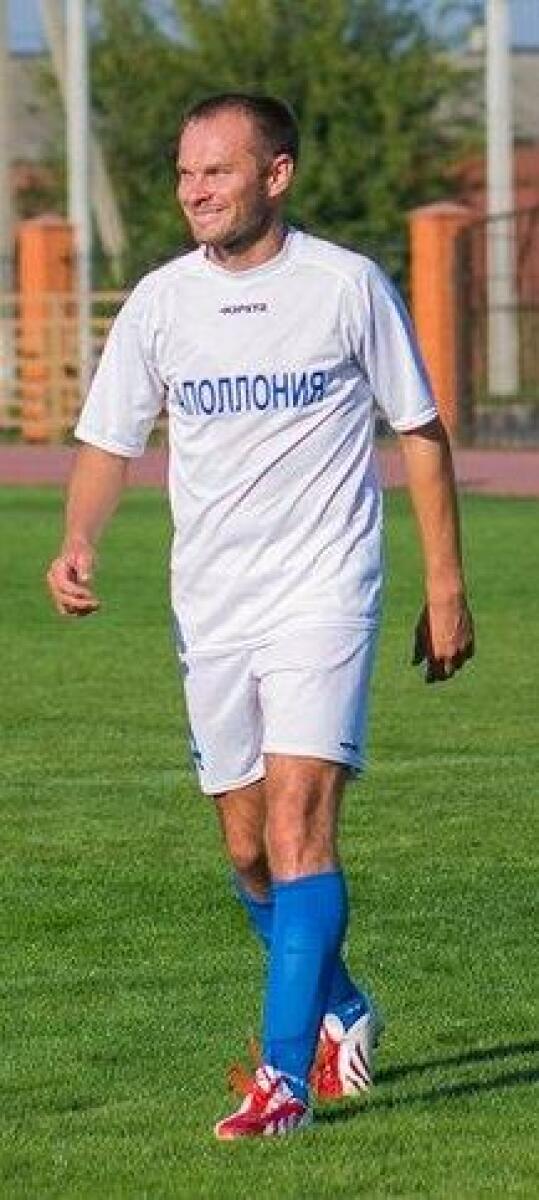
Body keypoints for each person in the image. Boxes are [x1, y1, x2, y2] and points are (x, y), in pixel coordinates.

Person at [46, 93, 474, 1140]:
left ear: (275, 176)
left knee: (296, 827)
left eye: (217, 171)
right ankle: (341, 1004)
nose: (194, 191)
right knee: (246, 850)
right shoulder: (159, 303)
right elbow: (108, 441)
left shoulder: (344, 286)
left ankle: (283, 1085)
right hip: (211, 605)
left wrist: (445, 587)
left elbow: (419, 431)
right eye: (185, 172)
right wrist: (80, 540)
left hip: (324, 591)